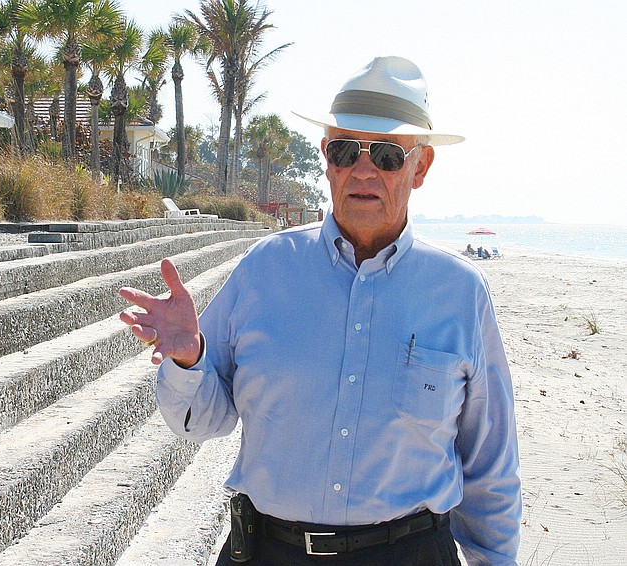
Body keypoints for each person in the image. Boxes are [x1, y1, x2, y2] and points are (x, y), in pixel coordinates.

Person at [119, 56, 521, 566]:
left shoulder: (461, 292)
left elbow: (490, 462)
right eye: (347, 150)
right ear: (327, 159)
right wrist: (187, 360)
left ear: (420, 167)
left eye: (388, 156)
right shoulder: (265, 269)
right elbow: (203, 421)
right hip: (269, 551)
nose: (363, 170)